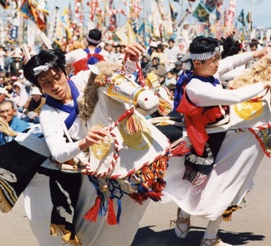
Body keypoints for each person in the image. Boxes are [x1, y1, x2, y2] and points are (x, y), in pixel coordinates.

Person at [23, 44, 149, 245]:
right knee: (91, 226)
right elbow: (58, 153)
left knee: (132, 210)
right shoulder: (48, 114)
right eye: (46, 82)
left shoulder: (84, 78)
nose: (54, 85)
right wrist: (85, 142)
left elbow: (119, 77)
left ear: (65, 72)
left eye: (57, 77)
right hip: (88, 167)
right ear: (39, 87)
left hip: (117, 149)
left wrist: (131, 61)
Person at [164, 36, 271, 246]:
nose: (217, 63)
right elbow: (234, 97)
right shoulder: (196, 87)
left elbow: (229, 64)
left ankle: (204, 232)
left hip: (226, 134)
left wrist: (255, 54)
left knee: (225, 185)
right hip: (206, 143)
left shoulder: (209, 71)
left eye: (217, 59)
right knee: (209, 185)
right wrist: (264, 83)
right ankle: (201, 231)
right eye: (214, 60)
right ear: (198, 63)